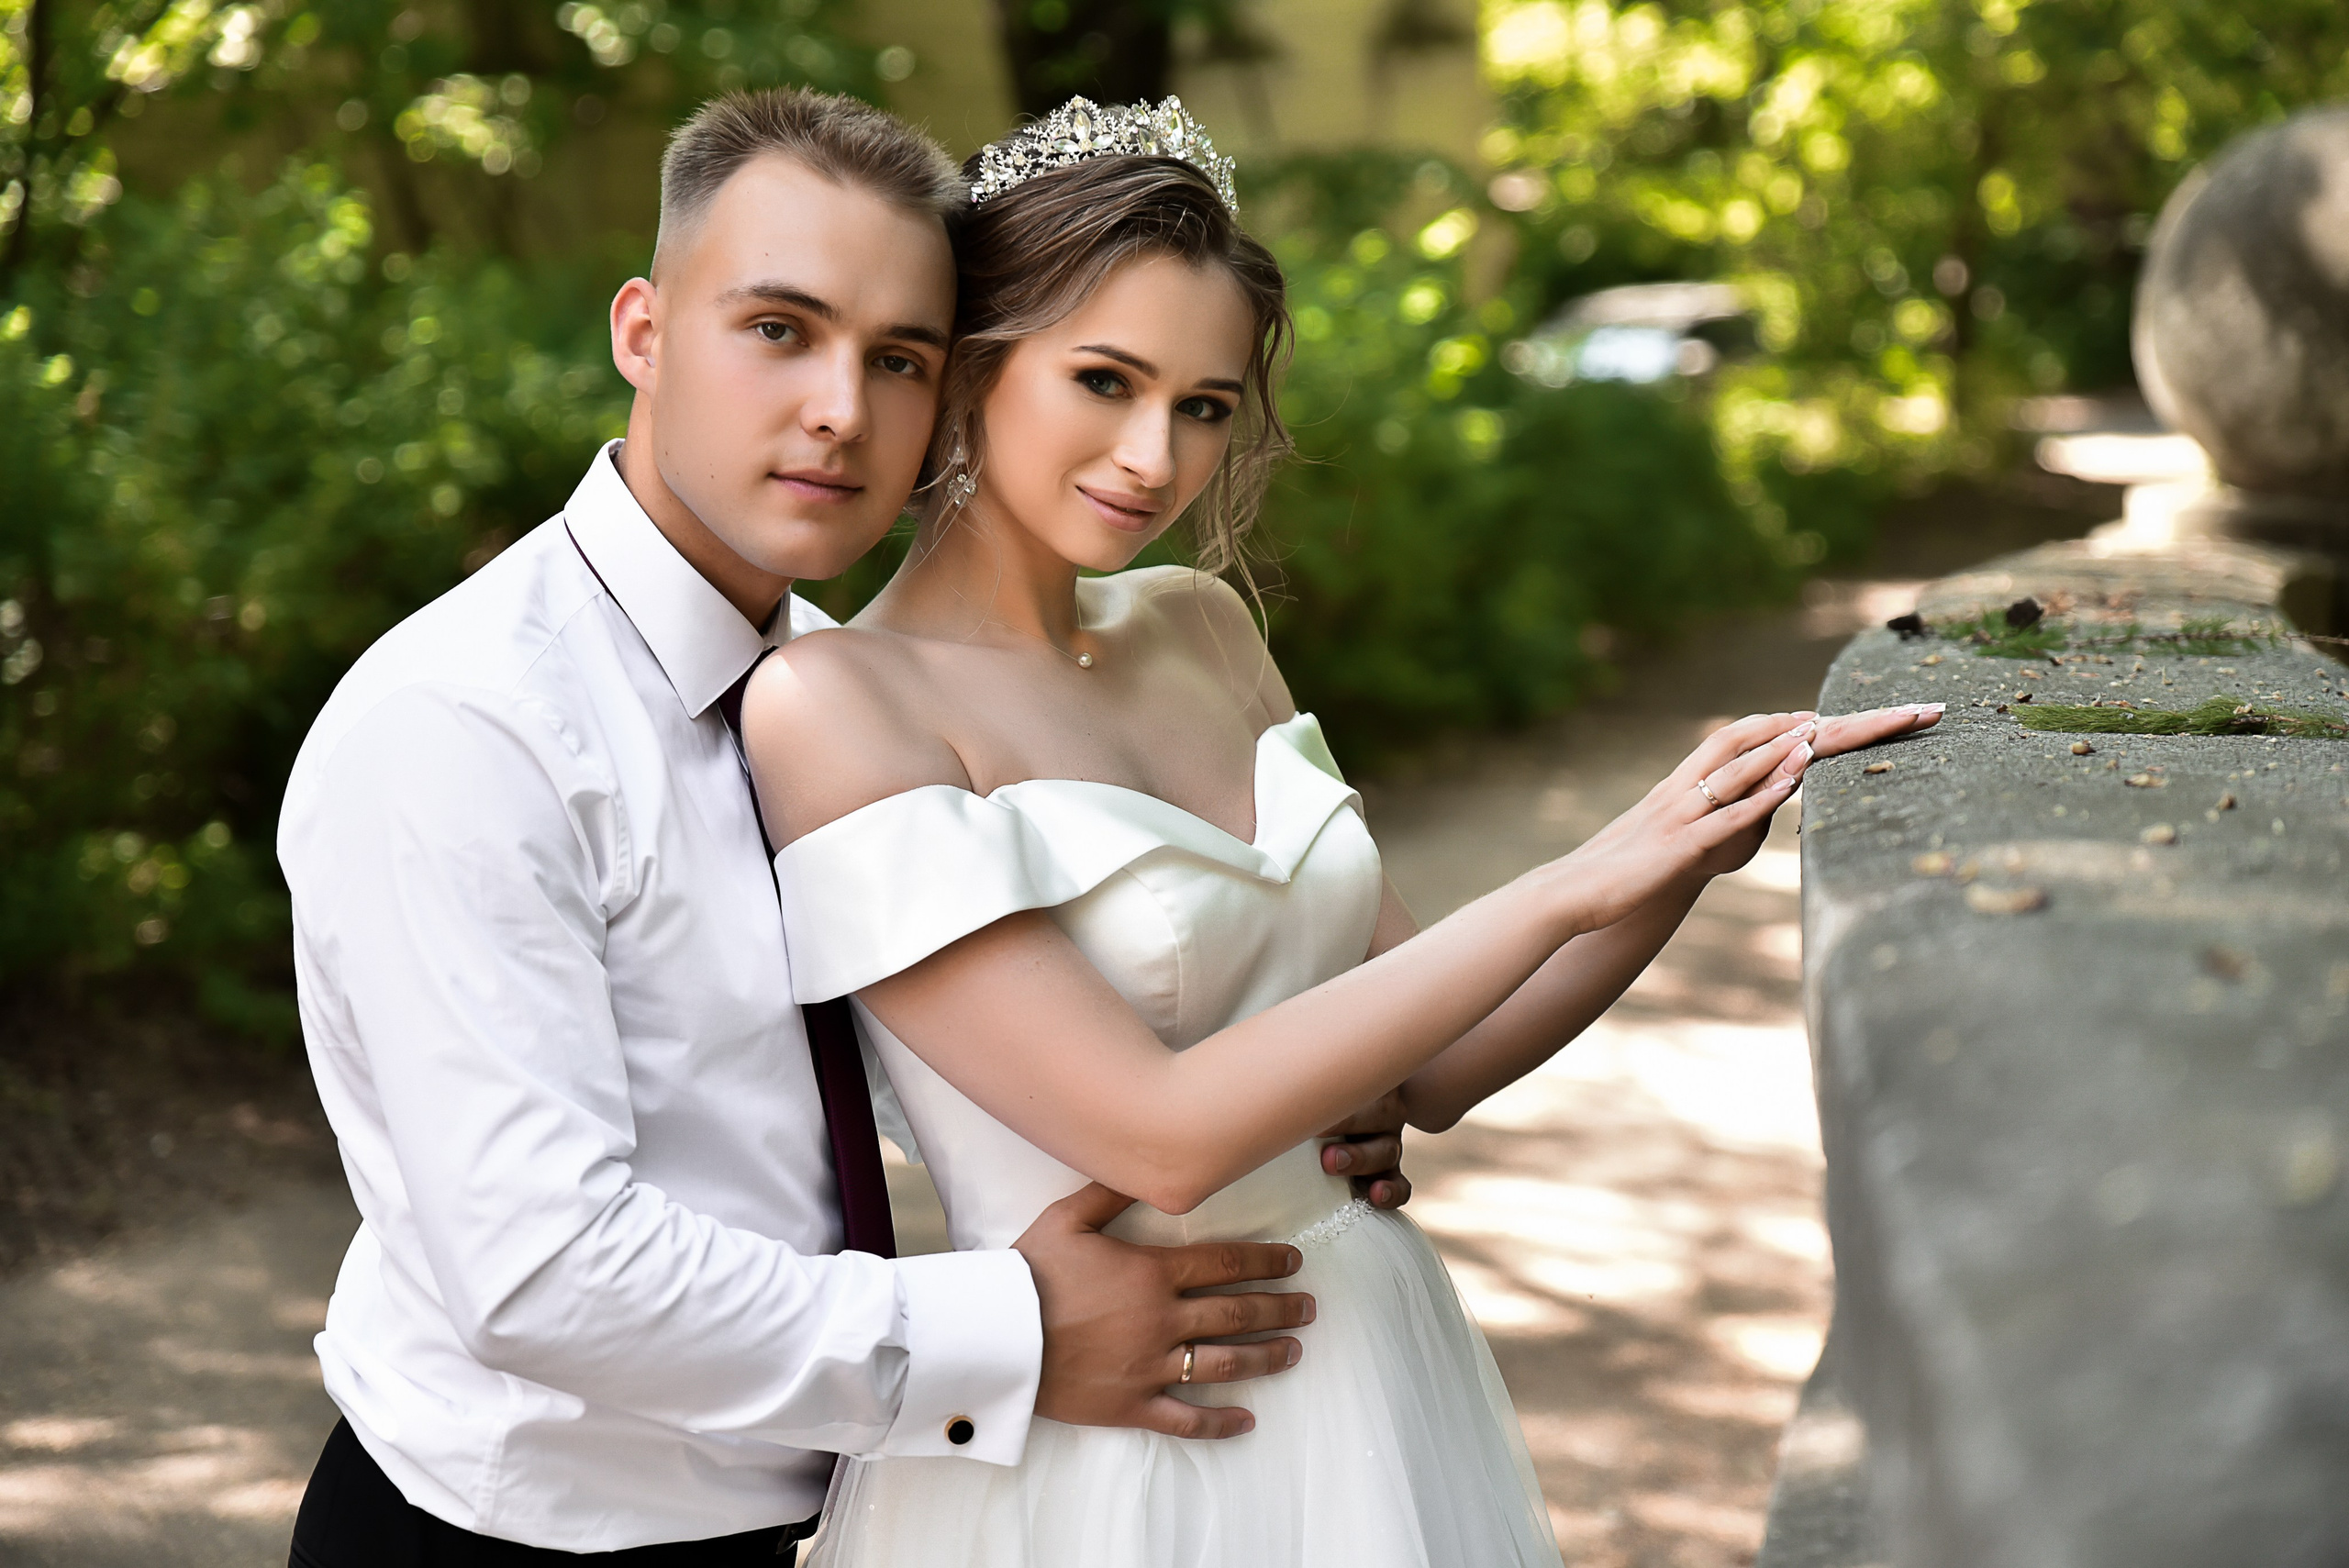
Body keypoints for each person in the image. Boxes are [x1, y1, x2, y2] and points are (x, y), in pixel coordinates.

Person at [740, 97, 1942, 1566]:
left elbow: (1427, 1064)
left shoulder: (1202, 624)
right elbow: (1161, 1137)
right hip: (1126, 1440)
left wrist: (1682, 848)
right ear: (981, 362)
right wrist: (1570, 883)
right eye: (1103, 380)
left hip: (1368, 1347)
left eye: (1203, 405)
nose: (1152, 456)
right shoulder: (837, 701)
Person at [277, 89, 1415, 1568]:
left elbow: (969, 1033)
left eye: (898, 359)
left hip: (840, 1510)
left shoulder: (841, 688)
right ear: (642, 329)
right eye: (777, 330)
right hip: (517, 1534)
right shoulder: (468, 725)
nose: (839, 408)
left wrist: (1298, 1072)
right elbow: (543, 1268)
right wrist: (1002, 1331)